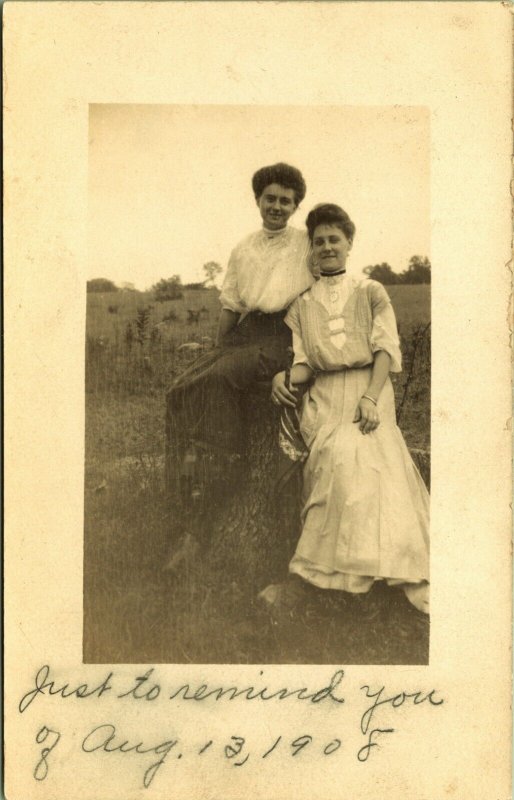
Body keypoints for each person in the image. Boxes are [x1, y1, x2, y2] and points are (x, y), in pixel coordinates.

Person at [267, 203, 429, 613]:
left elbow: (385, 350)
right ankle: (329, 575)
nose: (326, 247)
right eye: (318, 241)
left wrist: (371, 398)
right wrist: (283, 378)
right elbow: (304, 362)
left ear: (349, 243)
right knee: (331, 464)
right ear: (312, 249)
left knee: (368, 465)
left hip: (368, 391)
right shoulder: (302, 304)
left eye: (333, 239)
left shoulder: (371, 291)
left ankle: (377, 569)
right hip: (325, 397)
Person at [165, 163, 313, 529]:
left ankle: (226, 467)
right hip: (246, 334)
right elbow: (231, 304)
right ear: (257, 200)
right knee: (180, 388)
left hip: (287, 334)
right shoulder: (243, 248)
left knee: (220, 379)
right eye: (269, 199)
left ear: (296, 206)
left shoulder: (305, 243)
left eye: (285, 201)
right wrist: (217, 351)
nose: (276, 207)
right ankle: (184, 486)